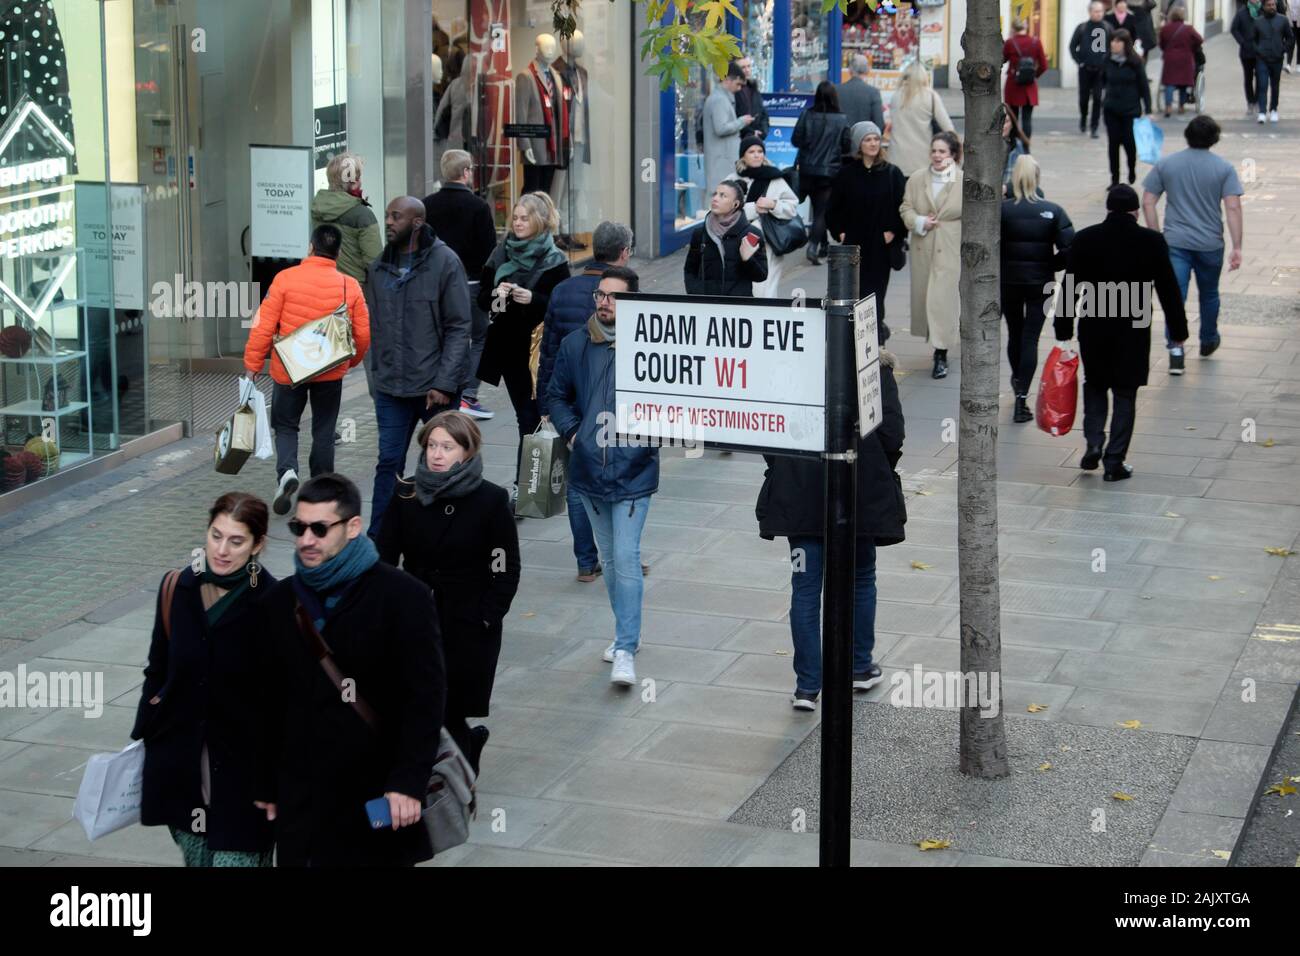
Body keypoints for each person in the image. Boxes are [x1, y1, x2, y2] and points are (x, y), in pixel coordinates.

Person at [256, 473, 444, 866]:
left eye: (320, 529)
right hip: (302, 803)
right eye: (299, 527)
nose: (306, 539)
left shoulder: (403, 597)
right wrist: (267, 782)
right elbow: (264, 700)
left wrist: (408, 782)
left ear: (353, 526)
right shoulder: (278, 601)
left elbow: (424, 699)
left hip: (373, 797)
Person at [757, 338, 905, 711]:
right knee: (860, 578)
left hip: (800, 499)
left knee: (805, 588)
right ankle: (858, 666)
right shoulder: (876, 369)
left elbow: (769, 430)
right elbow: (891, 434)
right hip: (859, 495)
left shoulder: (789, 367)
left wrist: (784, 470)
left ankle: (807, 685)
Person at [132, 493, 276, 867]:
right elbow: (157, 669)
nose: (222, 550)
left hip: (245, 775)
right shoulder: (177, 589)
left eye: (236, 540)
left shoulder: (274, 602)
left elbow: (285, 698)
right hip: (184, 768)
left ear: (258, 545)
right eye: (216, 535)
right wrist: (147, 734)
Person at [376, 411, 519, 773]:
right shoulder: (406, 493)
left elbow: (504, 565)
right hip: (418, 617)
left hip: (467, 622)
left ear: (467, 452)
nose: (437, 454)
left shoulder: (491, 500)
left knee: (448, 705)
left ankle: (453, 776)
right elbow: (384, 556)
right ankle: (456, 759)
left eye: (447, 447)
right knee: (422, 700)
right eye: (431, 446)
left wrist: (488, 615)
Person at [546, 267, 658, 687]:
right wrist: (574, 432)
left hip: (635, 467)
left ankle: (625, 646)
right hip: (589, 468)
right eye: (600, 295)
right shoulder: (576, 344)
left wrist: (648, 440)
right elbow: (555, 394)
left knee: (626, 557)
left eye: (614, 296)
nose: (605, 302)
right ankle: (627, 631)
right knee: (608, 559)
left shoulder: (649, 345)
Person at [1055, 186, 1188, 482]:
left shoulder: (1086, 238)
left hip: (1095, 323)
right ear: (1136, 211)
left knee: (1095, 384)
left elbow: (1070, 286)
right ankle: (1114, 461)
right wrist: (1178, 331)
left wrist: (1062, 327)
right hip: (1133, 327)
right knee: (1126, 392)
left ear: (1108, 209)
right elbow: (1168, 289)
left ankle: (1093, 442)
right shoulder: (1152, 241)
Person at [243, 224, 371, 516]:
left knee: (286, 425)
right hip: (329, 371)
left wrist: (252, 365)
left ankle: (287, 472)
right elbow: (363, 334)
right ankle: (322, 490)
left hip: (289, 370)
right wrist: (350, 362)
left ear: (311, 248)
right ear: (338, 252)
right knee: (324, 431)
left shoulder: (285, 279)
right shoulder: (349, 285)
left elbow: (263, 325)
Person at [365, 196, 473, 538]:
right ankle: (379, 541)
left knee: (442, 464)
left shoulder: (445, 262)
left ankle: (445, 534)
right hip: (391, 390)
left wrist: (444, 383)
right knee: (388, 464)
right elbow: (372, 326)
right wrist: (375, 377)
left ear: (417, 222)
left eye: (395, 216)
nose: (389, 222)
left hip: (434, 390)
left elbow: (459, 326)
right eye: (387, 215)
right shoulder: (378, 267)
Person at [537, 220, 634, 582]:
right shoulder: (627, 291)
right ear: (623, 252)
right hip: (612, 397)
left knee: (578, 481)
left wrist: (545, 403)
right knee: (621, 477)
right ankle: (620, 555)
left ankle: (586, 561)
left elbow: (547, 350)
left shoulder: (563, 289)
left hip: (572, 400)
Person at [476, 192, 572, 501]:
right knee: (526, 417)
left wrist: (534, 299)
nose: (517, 223)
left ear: (540, 221)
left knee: (535, 416)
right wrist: (499, 296)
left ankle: (534, 486)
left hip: (541, 351)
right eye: (515, 217)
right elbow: (483, 302)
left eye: (524, 217)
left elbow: (562, 308)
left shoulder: (555, 260)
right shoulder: (499, 254)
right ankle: (526, 488)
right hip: (509, 351)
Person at [1141, 114, 1244, 370]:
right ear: (1214, 139)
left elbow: (1147, 201)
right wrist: (1237, 246)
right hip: (1210, 242)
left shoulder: (1167, 164)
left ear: (1187, 135)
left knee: (1174, 295)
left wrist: (1156, 236)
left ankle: (1176, 349)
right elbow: (1233, 208)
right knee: (1209, 294)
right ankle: (1208, 338)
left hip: (1175, 242)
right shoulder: (1223, 168)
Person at [423, 149, 498, 420]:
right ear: (466, 173)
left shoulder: (427, 204)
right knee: (479, 338)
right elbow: (490, 251)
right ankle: (468, 395)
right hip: (472, 283)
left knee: (444, 337)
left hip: (436, 286)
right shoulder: (479, 207)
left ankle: (441, 388)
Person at [1001, 154, 1075, 423]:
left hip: (1008, 281)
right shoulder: (1053, 211)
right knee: (1031, 337)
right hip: (1040, 282)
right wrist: (1049, 263)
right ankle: (1022, 397)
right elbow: (1070, 248)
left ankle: (1017, 380)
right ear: (1038, 178)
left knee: (1014, 333)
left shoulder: (1002, 210)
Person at [827, 121, 907, 336]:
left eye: (875, 139)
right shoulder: (847, 174)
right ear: (858, 144)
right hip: (853, 246)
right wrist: (840, 231)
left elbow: (903, 207)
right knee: (854, 294)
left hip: (880, 247)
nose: (872, 143)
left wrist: (893, 232)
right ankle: (855, 340)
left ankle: (876, 340)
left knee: (876, 295)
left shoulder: (892, 173)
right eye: (867, 139)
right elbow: (833, 208)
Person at [899, 131, 963, 379]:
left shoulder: (962, 181)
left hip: (950, 246)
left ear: (953, 154)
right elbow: (906, 207)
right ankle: (939, 346)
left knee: (944, 300)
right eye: (934, 151)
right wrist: (918, 221)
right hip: (923, 248)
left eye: (942, 151)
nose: (937, 156)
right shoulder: (917, 179)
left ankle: (941, 353)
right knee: (927, 298)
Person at [734, 135, 799, 298]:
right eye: (751, 151)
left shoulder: (775, 178)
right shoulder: (733, 179)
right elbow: (725, 210)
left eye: (760, 151)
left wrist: (774, 205)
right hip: (737, 240)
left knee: (766, 287)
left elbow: (791, 207)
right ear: (743, 155)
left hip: (768, 241)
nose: (757, 155)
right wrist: (754, 208)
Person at [792, 82, 848, 265]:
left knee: (816, 210)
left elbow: (795, 139)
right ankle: (813, 246)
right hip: (828, 173)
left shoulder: (807, 115)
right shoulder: (841, 119)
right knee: (821, 212)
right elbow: (847, 144)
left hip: (806, 170)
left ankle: (823, 245)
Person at [684, 180, 769, 297]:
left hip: (738, 309)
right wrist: (696, 293)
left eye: (723, 196)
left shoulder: (752, 234)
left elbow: (761, 276)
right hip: (707, 308)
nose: (715, 198)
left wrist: (747, 259)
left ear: (735, 204)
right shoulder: (700, 234)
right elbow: (690, 269)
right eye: (715, 194)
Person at [310, 152, 383, 286]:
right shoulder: (362, 214)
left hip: (320, 283)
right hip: (352, 289)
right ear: (355, 183)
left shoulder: (316, 207)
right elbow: (374, 262)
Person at [887, 58, 956, 178]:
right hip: (922, 161)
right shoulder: (930, 96)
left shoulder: (896, 96)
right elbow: (948, 128)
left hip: (896, 159)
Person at [1101, 30, 1152, 188]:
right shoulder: (1107, 60)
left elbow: (1144, 86)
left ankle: (1131, 169)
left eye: (1118, 41)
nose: (1113, 44)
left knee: (1129, 143)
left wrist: (1148, 109)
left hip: (1130, 110)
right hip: (1111, 109)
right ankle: (1114, 178)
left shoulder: (1135, 62)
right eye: (1112, 41)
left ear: (1125, 44)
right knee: (1113, 143)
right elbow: (1102, 81)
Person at [703, 63, 755, 208]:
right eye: (738, 84)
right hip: (721, 160)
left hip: (722, 159)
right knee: (719, 198)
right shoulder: (719, 99)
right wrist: (741, 121)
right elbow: (720, 128)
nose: (739, 89)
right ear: (728, 80)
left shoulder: (721, 98)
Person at [1071, 2, 1113, 137]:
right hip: (1085, 69)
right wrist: (1079, 62)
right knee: (1083, 98)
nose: (1098, 14)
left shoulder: (1107, 28)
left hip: (1100, 71)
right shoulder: (1082, 28)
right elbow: (1072, 46)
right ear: (1090, 12)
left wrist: (1107, 63)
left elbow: (1113, 46)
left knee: (1097, 98)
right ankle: (1083, 118)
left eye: (1101, 11)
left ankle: (1094, 127)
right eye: (1096, 11)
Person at [1003, 18, 1048, 139]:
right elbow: (1044, 66)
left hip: (1013, 84)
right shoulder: (1036, 42)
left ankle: (1013, 146)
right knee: (1027, 119)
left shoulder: (1010, 43)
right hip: (1029, 86)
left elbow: (1002, 60)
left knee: (1013, 119)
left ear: (1013, 28)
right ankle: (1026, 147)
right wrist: (1034, 76)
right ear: (1026, 26)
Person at [1253, 0, 1295, 122]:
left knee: (1275, 86)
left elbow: (1290, 38)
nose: (1272, 7)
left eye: (1273, 5)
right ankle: (1262, 112)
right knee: (1262, 84)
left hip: (1277, 59)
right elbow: (1253, 40)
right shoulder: (1258, 22)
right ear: (1264, 6)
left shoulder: (1283, 20)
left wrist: (1283, 49)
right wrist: (1258, 50)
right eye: (1269, 5)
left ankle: (1273, 110)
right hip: (1262, 59)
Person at [1158, 6, 1203, 117]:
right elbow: (1200, 40)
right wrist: (1191, 47)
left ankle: (1168, 107)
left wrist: (1167, 50)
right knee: (1183, 84)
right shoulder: (1188, 29)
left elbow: (1161, 44)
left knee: (1169, 83)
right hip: (1185, 58)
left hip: (1170, 59)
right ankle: (1181, 106)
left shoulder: (1165, 29)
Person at [835, 54, 885, 134]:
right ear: (867, 70)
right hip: (863, 141)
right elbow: (879, 124)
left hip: (841, 140)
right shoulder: (873, 92)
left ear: (850, 70)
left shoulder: (836, 90)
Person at [1233, 0, 1264, 117]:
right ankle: (1250, 102)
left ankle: (1257, 101)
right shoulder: (1242, 13)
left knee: (1261, 77)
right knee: (1248, 78)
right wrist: (1242, 42)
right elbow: (1234, 29)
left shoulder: (1263, 11)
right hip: (1246, 52)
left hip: (1261, 52)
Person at [734, 56, 770, 139]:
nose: (747, 70)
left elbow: (763, 114)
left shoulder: (753, 88)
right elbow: (732, 118)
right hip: (739, 139)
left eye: (749, 66)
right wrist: (750, 132)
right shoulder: (732, 92)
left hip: (756, 140)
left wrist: (763, 131)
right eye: (743, 67)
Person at [1002, 106, 1032, 194]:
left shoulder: (1019, 146)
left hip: (1014, 192)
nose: (1003, 126)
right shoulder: (985, 148)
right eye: (999, 123)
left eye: (1006, 122)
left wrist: (1007, 188)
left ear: (1012, 124)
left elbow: (1027, 179)